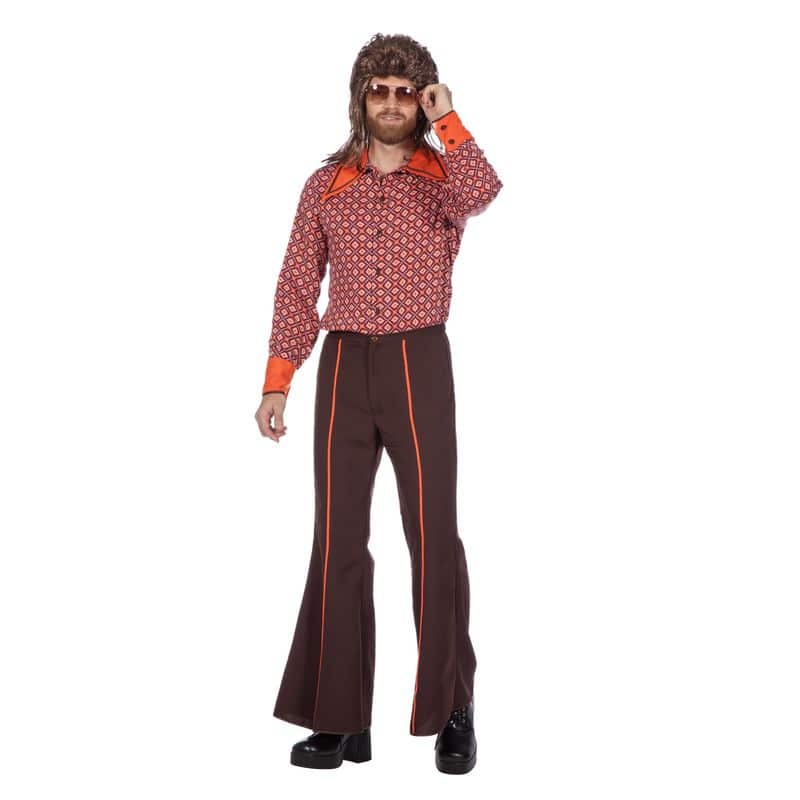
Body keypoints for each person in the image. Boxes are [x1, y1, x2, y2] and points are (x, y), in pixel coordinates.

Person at [254, 33, 502, 774]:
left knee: (432, 534)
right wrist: (277, 380)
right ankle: (339, 719)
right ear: (360, 97)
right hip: (343, 368)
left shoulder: (444, 177)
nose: (391, 104)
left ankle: (453, 706)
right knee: (337, 540)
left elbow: (486, 191)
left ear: (420, 101)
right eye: (379, 90)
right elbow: (298, 281)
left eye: (405, 92)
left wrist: (447, 116)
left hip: (418, 361)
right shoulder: (326, 184)